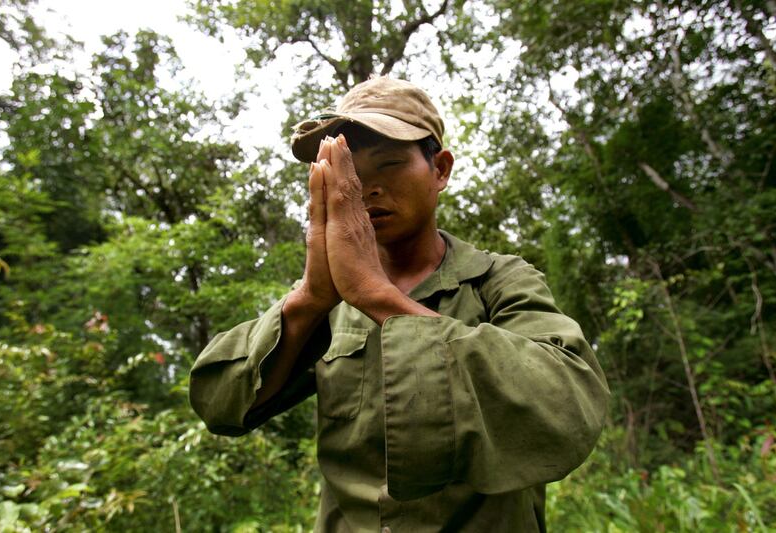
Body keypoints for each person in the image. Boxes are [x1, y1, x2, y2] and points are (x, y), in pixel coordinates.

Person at [189, 77, 609, 532]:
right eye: (348, 173)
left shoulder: (497, 281)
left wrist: (379, 298)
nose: (366, 188)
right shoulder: (326, 298)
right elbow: (219, 402)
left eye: (388, 164)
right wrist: (309, 299)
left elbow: (567, 403)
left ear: (440, 170)